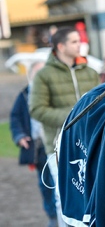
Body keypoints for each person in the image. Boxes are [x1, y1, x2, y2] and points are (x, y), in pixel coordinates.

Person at [29, 26, 100, 227]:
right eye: (74, 41)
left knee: (94, 196)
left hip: (93, 144)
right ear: (60, 46)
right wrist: (73, 118)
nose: (80, 45)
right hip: (58, 148)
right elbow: (37, 109)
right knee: (65, 199)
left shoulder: (91, 72)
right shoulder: (44, 75)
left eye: (80, 41)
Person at [10, 61, 57, 227]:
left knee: (59, 181)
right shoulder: (24, 94)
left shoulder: (52, 91)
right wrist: (20, 136)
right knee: (45, 184)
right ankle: (52, 216)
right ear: (31, 76)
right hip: (39, 147)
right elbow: (15, 117)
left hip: (55, 144)